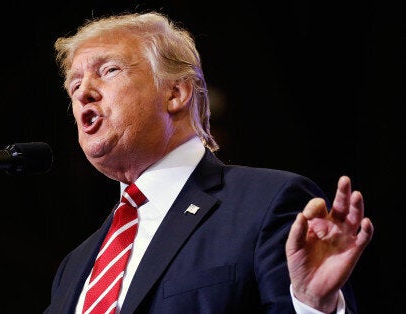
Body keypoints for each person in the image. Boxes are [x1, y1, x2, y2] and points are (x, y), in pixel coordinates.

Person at [44, 10, 374, 314]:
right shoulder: (74, 268)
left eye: (109, 71)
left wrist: (313, 305)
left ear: (175, 93)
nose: (83, 92)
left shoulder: (265, 204)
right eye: (74, 84)